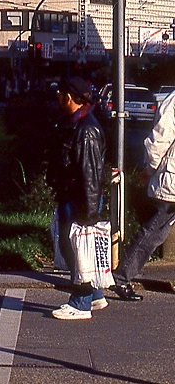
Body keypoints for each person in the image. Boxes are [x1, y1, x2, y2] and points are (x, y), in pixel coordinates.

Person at [47, 76, 108, 319]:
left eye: (60, 94)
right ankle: (94, 295)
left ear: (70, 97)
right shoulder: (75, 123)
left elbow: (90, 175)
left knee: (77, 249)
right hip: (72, 195)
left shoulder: (86, 130)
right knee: (71, 245)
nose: (58, 98)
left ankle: (81, 303)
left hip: (80, 199)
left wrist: (89, 213)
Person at [110, 89, 175, 301]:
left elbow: (159, 140)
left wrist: (150, 169)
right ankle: (121, 277)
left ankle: (122, 276)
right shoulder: (173, 102)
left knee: (154, 232)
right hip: (171, 180)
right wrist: (152, 169)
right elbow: (159, 140)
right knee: (153, 232)